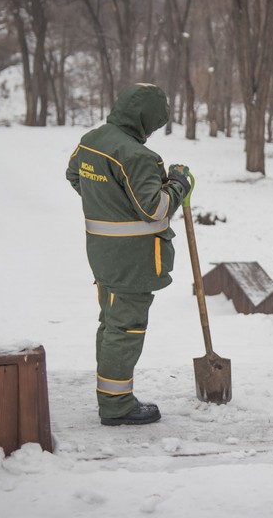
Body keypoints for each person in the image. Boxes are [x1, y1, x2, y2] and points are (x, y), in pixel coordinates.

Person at [66, 83, 192, 426]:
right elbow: (156, 208)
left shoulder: (92, 140)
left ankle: (110, 394)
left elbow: (74, 175)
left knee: (111, 324)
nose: (151, 132)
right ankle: (116, 404)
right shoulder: (138, 156)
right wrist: (179, 183)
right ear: (143, 119)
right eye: (153, 125)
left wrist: (107, 202)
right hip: (133, 262)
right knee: (126, 329)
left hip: (103, 256)